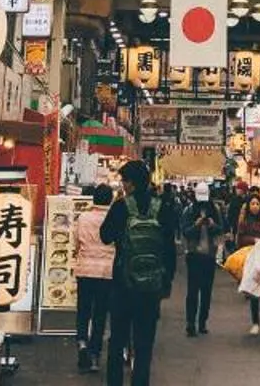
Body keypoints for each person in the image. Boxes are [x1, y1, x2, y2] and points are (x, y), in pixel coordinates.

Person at [99, 160, 177, 386]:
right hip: (151, 288)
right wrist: (166, 281)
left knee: (117, 342)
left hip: (123, 285)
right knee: (144, 344)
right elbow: (169, 248)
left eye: (124, 180)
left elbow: (105, 236)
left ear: (131, 182)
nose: (122, 185)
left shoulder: (121, 206)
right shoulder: (163, 207)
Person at [74, 184, 116, 371]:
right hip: (106, 271)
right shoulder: (114, 219)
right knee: (100, 313)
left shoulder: (83, 218)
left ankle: (82, 342)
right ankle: (94, 354)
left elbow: (76, 242)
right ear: (110, 200)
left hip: (84, 269)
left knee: (83, 310)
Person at [178, 190, 221, 337]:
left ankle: (202, 322)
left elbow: (221, 229)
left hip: (209, 256)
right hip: (194, 255)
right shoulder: (188, 211)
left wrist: (212, 225)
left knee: (206, 291)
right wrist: (196, 225)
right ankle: (191, 323)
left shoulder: (215, 210)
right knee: (193, 291)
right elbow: (185, 232)